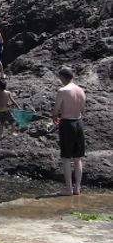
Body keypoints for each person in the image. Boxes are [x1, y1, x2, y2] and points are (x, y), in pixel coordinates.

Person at [52, 66, 86, 196]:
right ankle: (77, 188)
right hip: (79, 123)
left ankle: (68, 189)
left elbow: (56, 111)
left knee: (66, 158)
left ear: (63, 77)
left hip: (67, 124)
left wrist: (55, 116)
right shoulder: (81, 90)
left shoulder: (63, 90)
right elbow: (83, 111)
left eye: (60, 77)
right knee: (78, 158)